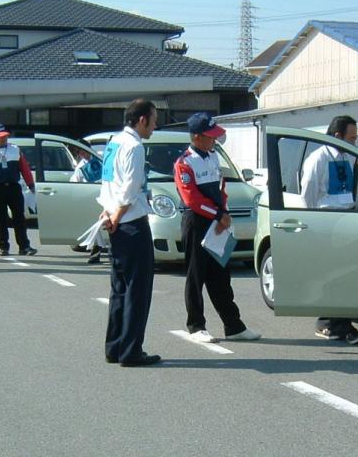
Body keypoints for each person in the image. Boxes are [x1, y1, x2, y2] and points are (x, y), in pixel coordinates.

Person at [174, 112, 261, 344]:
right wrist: (218, 215)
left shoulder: (213, 157)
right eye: (210, 136)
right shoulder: (184, 162)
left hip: (217, 221)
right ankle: (196, 326)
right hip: (196, 222)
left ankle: (233, 326)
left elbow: (221, 189)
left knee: (221, 275)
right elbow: (191, 199)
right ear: (197, 137)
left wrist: (224, 213)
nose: (214, 140)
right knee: (196, 275)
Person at [99, 99, 161, 367]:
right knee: (138, 289)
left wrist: (108, 213)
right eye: (154, 120)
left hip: (114, 220)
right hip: (131, 222)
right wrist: (118, 215)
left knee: (119, 288)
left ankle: (115, 347)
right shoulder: (135, 146)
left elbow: (107, 182)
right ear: (142, 120)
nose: (155, 126)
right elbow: (130, 188)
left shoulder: (113, 142)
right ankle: (131, 351)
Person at [300, 115, 358, 345]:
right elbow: (308, 192)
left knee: (344, 273)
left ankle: (334, 321)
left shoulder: (347, 157)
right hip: (327, 220)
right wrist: (312, 222)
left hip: (346, 218)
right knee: (335, 274)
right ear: (337, 136)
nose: (354, 143)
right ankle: (335, 324)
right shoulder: (318, 159)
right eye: (351, 138)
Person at [0, 124, 37, 256]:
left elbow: (24, 168)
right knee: (0, 218)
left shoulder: (15, 150)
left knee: (19, 217)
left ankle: (24, 246)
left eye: (5, 137)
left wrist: (30, 184)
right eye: (0, 137)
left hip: (14, 187)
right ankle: (3, 246)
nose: (3, 139)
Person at [70, 143, 106, 264]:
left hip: (107, 195)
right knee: (96, 226)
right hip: (92, 198)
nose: (82, 154)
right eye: (79, 152)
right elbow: (74, 183)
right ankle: (96, 252)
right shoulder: (80, 167)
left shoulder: (102, 157)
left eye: (83, 151)